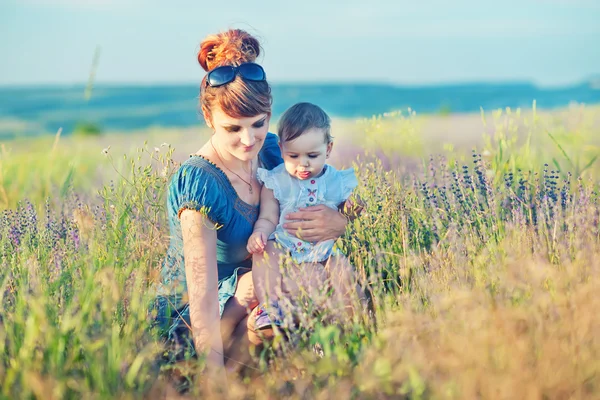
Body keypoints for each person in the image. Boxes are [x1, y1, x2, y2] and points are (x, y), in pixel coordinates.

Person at [152, 29, 351, 379]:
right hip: (201, 325)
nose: (248, 140)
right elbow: (200, 301)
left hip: (265, 293)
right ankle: (233, 380)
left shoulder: (276, 151)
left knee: (332, 271)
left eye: (258, 124)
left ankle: (337, 367)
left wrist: (339, 222)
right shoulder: (200, 184)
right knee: (258, 290)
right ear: (209, 119)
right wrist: (211, 382)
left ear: (270, 113)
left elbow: (330, 193)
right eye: (233, 129)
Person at [247, 102, 365, 329]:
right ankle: (270, 307)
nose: (303, 164)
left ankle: (354, 320)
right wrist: (260, 233)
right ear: (281, 149)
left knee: (343, 271)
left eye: (312, 155)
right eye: (293, 155)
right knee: (264, 252)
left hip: (323, 248)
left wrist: (352, 209)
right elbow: (268, 217)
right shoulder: (276, 181)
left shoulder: (335, 180)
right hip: (285, 244)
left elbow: (349, 211)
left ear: (328, 149)